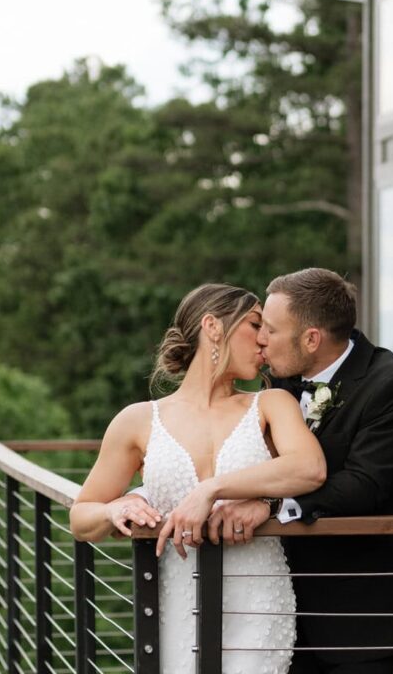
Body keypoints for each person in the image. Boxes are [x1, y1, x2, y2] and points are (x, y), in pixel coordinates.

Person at [69, 283, 326, 674]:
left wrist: (212, 490)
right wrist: (113, 508)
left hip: (257, 600)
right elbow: (81, 516)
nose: (263, 340)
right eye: (254, 324)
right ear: (213, 326)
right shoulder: (137, 420)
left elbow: (309, 468)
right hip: (175, 603)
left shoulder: (271, 403)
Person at [208, 267, 393, 674]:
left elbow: (367, 485)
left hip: (357, 616)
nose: (260, 339)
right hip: (274, 609)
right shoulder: (278, 378)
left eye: (271, 330)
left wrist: (272, 504)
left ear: (311, 339)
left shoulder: (391, 384)